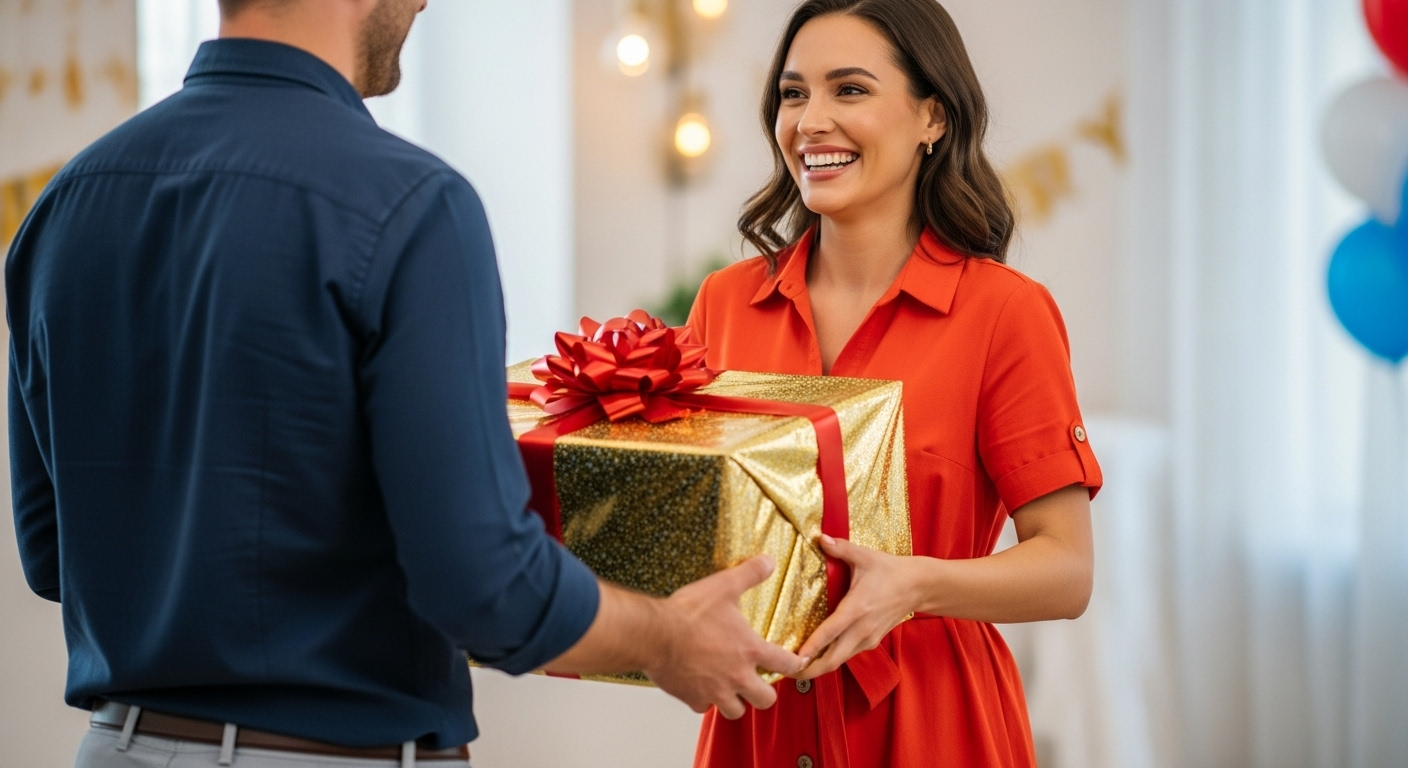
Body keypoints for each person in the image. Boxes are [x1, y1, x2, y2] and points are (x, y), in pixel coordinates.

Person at [6, 1, 804, 766]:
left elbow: (52, 556)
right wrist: (666, 637)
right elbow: (483, 585)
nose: (422, 5)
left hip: (115, 747)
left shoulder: (65, 204)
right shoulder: (411, 204)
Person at [685, 1, 1103, 767]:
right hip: (758, 725)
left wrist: (914, 585)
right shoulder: (724, 305)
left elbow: (1066, 570)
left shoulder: (1004, 314)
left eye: (849, 90)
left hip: (935, 726)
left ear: (931, 118)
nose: (811, 120)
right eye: (792, 93)